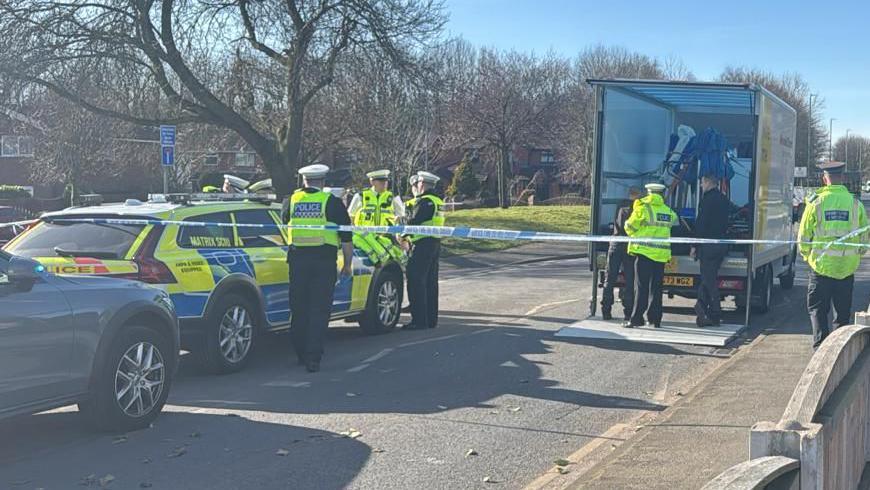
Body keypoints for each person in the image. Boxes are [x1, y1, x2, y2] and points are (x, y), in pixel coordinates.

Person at [281, 164, 354, 372]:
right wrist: (347, 264)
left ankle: (301, 354)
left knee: (299, 308)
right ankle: (313, 357)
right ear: (322, 182)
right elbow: (346, 237)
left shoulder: (291, 201)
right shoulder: (331, 202)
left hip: (297, 262)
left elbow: (284, 223)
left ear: (303, 181)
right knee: (319, 310)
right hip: (323, 262)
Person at [798, 160, 868, 349]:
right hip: (846, 269)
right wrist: (857, 254)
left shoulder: (816, 203)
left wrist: (807, 256)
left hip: (821, 268)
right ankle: (838, 352)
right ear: (842, 178)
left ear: (824, 179)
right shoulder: (855, 204)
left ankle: (820, 349)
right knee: (842, 314)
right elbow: (864, 237)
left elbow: (804, 236)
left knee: (818, 311)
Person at [624, 183, 678, 329]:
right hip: (660, 255)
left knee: (641, 287)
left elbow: (630, 227)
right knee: (657, 287)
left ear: (649, 193)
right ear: (661, 194)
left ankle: (636, 319)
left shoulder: (643, 208)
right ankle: (655, 318)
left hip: (644, 253)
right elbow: (675, 221)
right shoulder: (667, 211)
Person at [401, 171, 445, 330]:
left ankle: (419, 320)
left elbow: (413, 221)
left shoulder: (425, 201)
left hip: (422, 244)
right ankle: (430, 320)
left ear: (422, 184)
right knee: (430, 283)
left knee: (416, 281)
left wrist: (401, 221)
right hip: (434, 243)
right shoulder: (437, 201)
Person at [691, 174, 731, 327]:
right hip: (720, 244)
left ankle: (715, 313)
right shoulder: (724, 199)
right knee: (707, 278)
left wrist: (694, 245)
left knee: (708, 280)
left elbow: (701, 224)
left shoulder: (707, 200)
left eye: (702, 183)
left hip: (707, 246)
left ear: (708, 183)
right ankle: (701, 309)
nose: (701, 186)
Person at [601, 187, 642, 321]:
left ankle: (606, 310)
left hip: (614, 244)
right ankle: (628, 312)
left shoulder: (620, 205)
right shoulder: (637, 209)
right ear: (638, 196)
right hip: (629, 246)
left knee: (610, 278)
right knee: (630, 280)